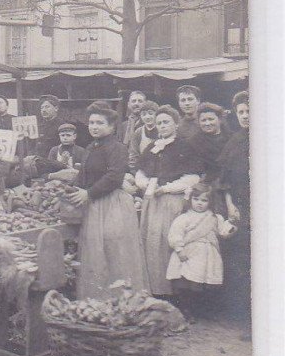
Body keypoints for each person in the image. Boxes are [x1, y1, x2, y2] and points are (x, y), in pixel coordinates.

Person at [65, 103, 148, 299]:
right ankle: (99, 299)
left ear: (111, 126)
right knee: (96, 254)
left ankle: (121, 298)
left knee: (114, 250)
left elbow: (114, 177)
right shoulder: (90, 147)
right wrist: (75, 187)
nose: (94, 126)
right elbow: (84, 173)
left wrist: (89, 193)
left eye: (100, 123)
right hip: (94, 204)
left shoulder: (117, 148)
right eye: (91, 122)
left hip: (112, 204)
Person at [135, 105, 203, 297]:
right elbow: (139, 172)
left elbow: (192, 178)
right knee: (151, 244)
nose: (162, 126)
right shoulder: (152, 147)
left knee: (169, 243)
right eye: (158, 123)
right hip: (152, 202)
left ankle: (173, 293)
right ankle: (154, 289)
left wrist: (165, 188)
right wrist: (146, 183)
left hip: (172, 201)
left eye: (166, 122)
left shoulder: (185, 146)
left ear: (175, 123)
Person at [166, 183, 237, 318]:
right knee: (187, 282)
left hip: (208, 255)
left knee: (202, 282)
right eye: (196, 199)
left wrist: (231, 225)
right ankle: (186, 310)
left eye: (204, 200)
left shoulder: (215, 218)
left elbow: (223, 232)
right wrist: (179, 250)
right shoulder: (184, 218)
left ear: (210, 202)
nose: (199, 203)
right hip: (189, 254)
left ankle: (198, 310)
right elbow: (175, 234)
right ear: (190, 199)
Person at [217, 91, 251, 336]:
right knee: (242, 262)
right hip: (241, 210)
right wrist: (229, 204)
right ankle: (246, 319)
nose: (246, 116)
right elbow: (224, 179)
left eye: (250, 111)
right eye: (241, 112)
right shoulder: (235, 142)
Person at [188, 102, 230, 187]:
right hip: (207, 187)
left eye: (211, 119)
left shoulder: (232, 138)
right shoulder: (193, 142)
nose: (207, 123)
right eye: (203, 120)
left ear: (220, 119)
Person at [128, 100, 159, 172]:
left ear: (156, 115)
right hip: (143, 169)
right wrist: (134, 171)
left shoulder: (162, 130)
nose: (147, 117)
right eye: (144, 114)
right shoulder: (138, 132)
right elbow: (133, 154)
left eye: (150, 113)